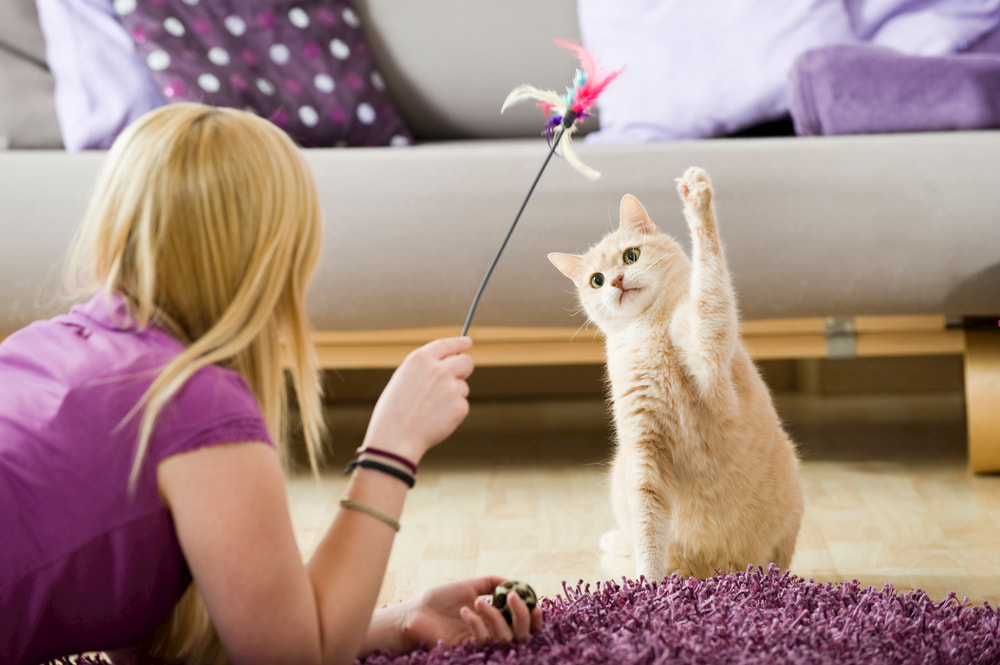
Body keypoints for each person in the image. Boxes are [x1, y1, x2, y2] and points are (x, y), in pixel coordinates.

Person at [0, 103, 542, 665]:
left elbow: (189, 648)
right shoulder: (194, 406)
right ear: (275, 257)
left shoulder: (39, 346)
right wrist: (392, 447)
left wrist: (402, 622)